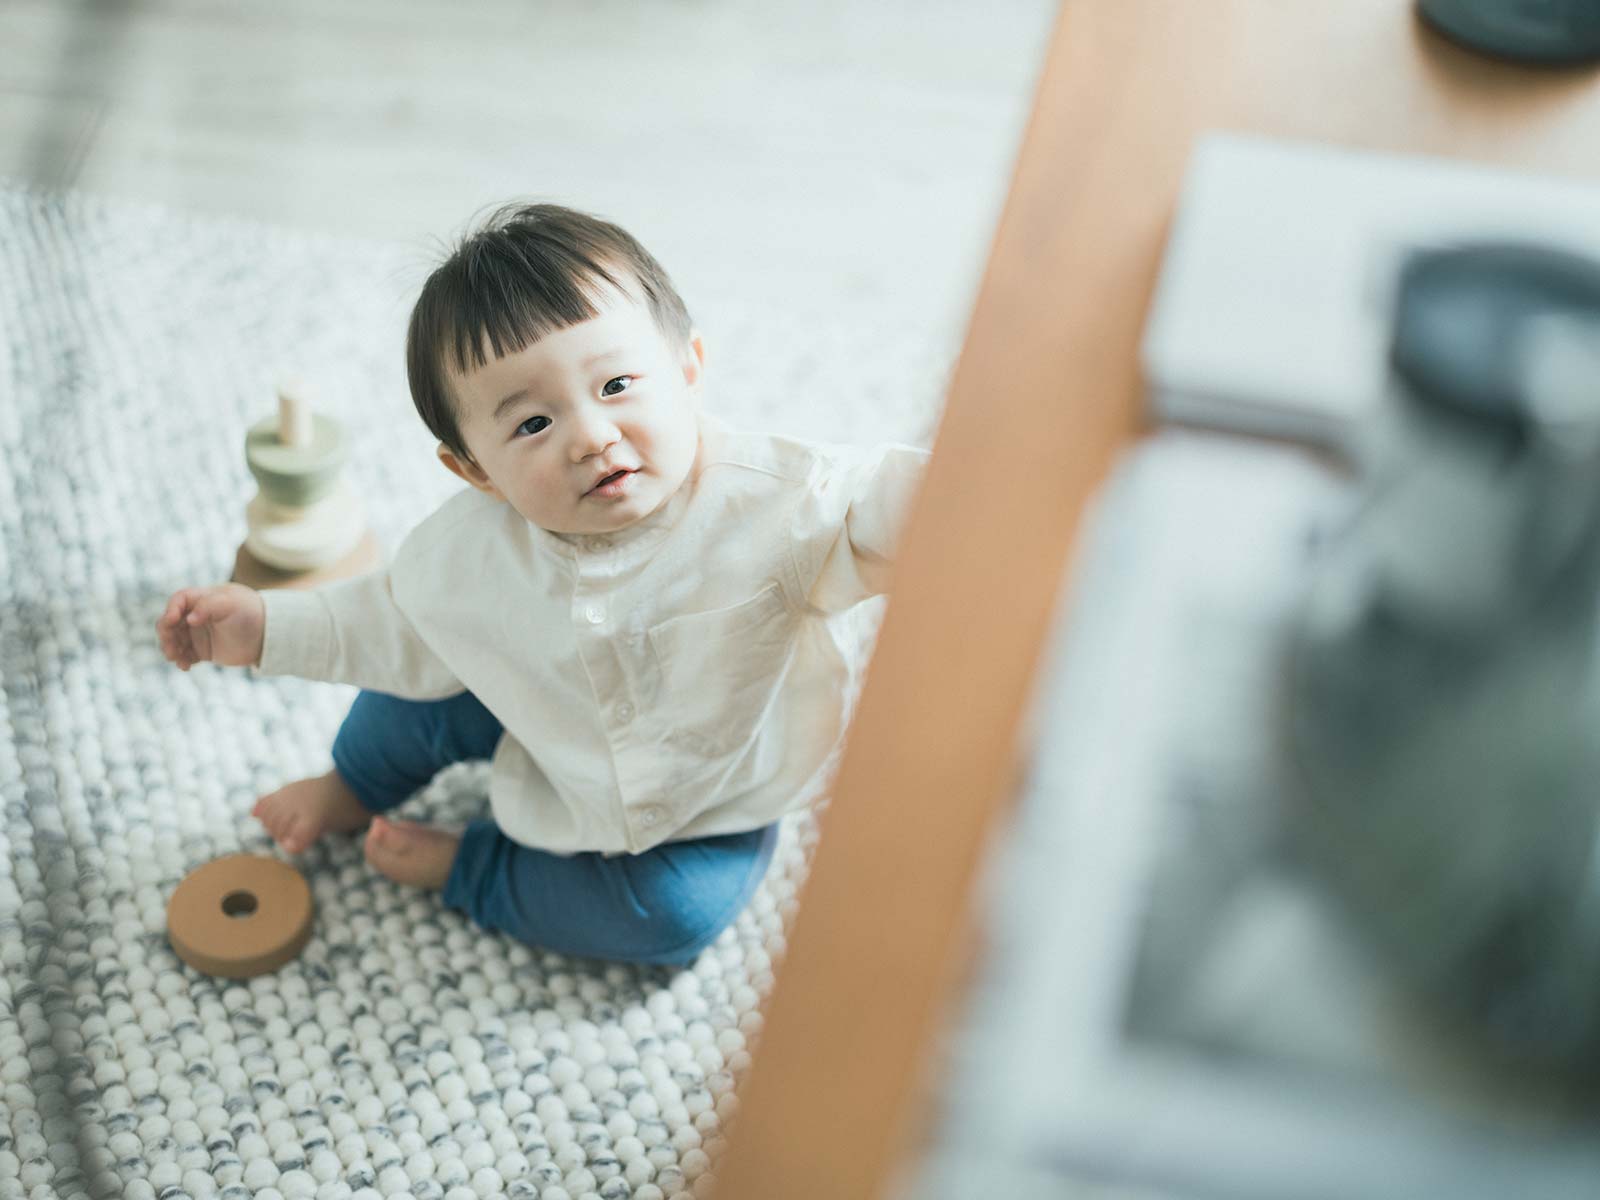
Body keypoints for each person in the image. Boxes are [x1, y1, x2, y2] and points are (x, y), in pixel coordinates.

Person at [155, 202, 929, 965]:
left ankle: (475, 870)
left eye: (618, 384)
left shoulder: (780, 504)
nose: (592, 437)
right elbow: (380, 622)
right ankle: (348, 786)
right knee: (404, 698)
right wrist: (262, 626)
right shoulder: (468, 555)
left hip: (716, 791)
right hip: (536, 715)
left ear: (688, 370)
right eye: (532, 425)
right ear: (474, 470)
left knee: (672, 916)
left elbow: (885, 503)